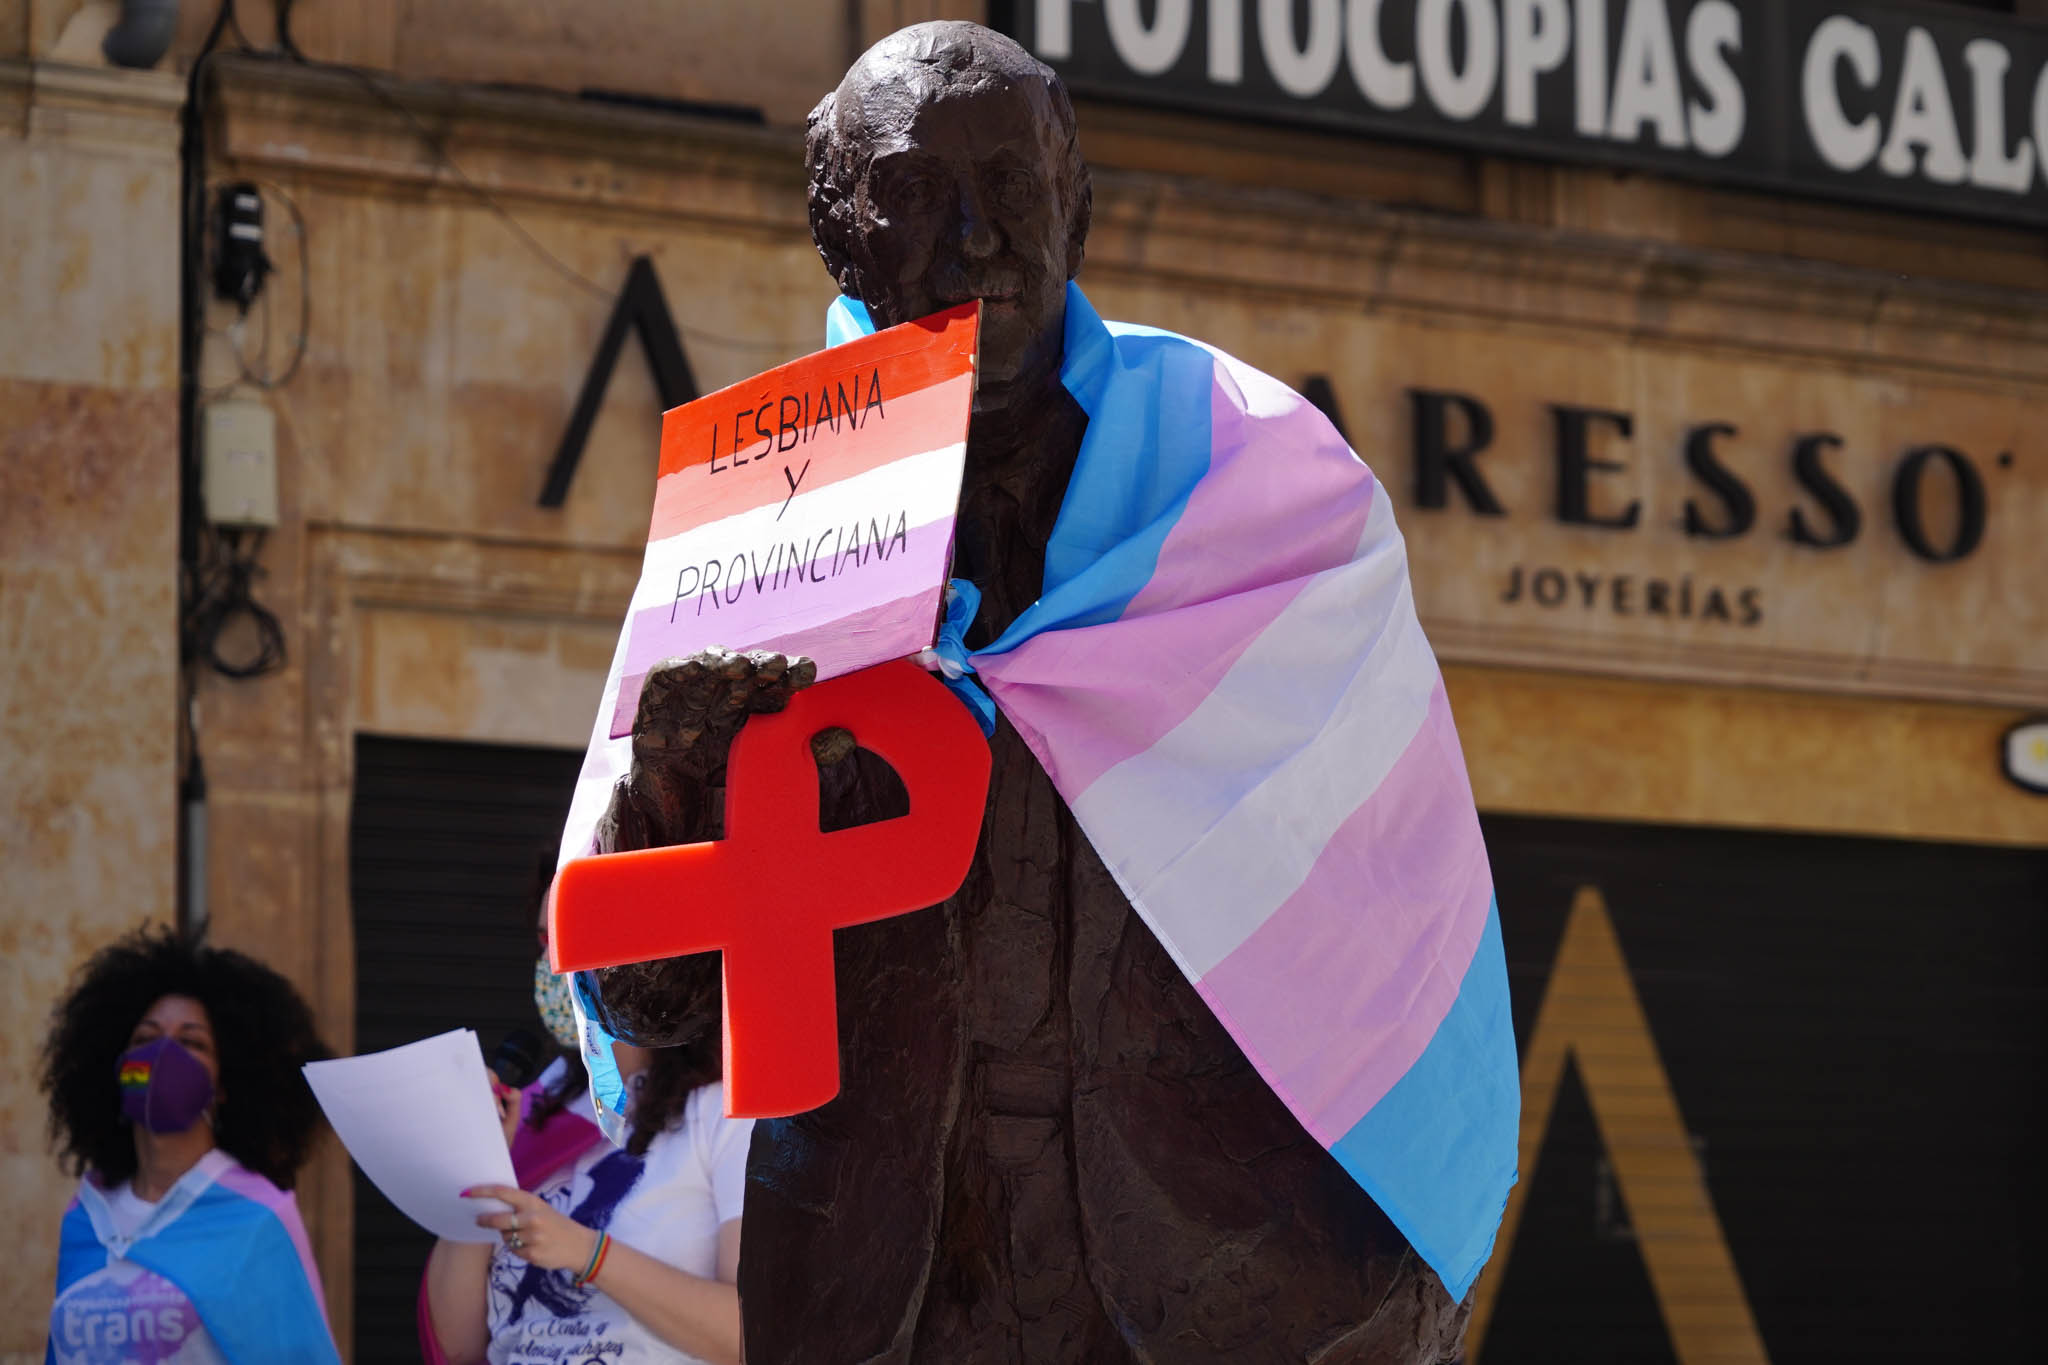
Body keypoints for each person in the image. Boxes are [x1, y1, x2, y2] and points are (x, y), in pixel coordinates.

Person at [568, 20, 1519, 1365]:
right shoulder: (765, 513)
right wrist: (680, 777)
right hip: (882, 1278)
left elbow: (1388, 898)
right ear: (839, 233)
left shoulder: (1252, 477)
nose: (976, 241)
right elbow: (649, 1004)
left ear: (1076, 209)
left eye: (1012, 186)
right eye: (914, 193)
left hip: (1221, 1264)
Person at [422, 949, 751, 1365]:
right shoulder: (544, 1100)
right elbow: (458, 1347)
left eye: (568, 933)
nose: (552, 956)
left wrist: (589, 1254)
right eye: (542, 939)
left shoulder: (728, 1110)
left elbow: (751, 1338)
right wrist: (477, 1159)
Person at [39, 926, 340, 1364]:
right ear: (117, 1067)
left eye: (191, 1042)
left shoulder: (257, 1217)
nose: (163, 1055)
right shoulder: (84, 1217)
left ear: (224, 1084)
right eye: (145, 1040)